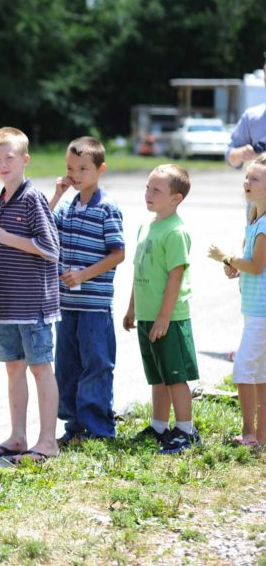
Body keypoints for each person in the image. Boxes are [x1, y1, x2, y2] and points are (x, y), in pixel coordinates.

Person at [0, 127, 61, 464]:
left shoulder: (32, 198)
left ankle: (47, 441)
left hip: (34, 306)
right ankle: (17, 436)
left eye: (9, 157)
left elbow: (50, 248)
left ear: (25, 159)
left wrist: (5, 237)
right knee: (14, 369)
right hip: (7, 306)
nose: (2, 164)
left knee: (41, 368)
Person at [48, 137, 126, 444]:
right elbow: (44, 226)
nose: (75, 175)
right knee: (67, 366)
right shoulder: (67, 207)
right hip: (66, 303)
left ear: (100, 169)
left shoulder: (106, 208)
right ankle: (74, 427)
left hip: (94, 305)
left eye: (83, 168)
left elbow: (117, 253)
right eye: (70, 168)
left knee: (96, 363)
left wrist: (84, 274)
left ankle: (98, 429)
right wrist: (56, 194)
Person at [123, 164, 200, 454]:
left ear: (175, 198)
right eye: (147, 187)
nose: (148, 194)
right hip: (146, 315)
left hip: (169, 317)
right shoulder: (148, 225)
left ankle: (185, 431)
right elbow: (138, 269)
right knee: (157, 374)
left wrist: (164, 316)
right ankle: (158, 426)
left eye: (156, 189)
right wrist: (132, 307)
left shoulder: (176, 231)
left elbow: (175, 275)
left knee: (175, 376)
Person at [208, 154, 266, 447]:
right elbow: (253, 266)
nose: (247, 182)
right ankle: (260, 436)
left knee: (244, 370)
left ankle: (248, 433)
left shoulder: (265, 224)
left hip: (261, 314)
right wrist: (235, 268)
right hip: (256, 311)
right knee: (260, 374)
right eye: (246, 177)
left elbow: (256, 266)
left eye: (254, 178)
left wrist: (226, 257)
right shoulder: (254, 218)